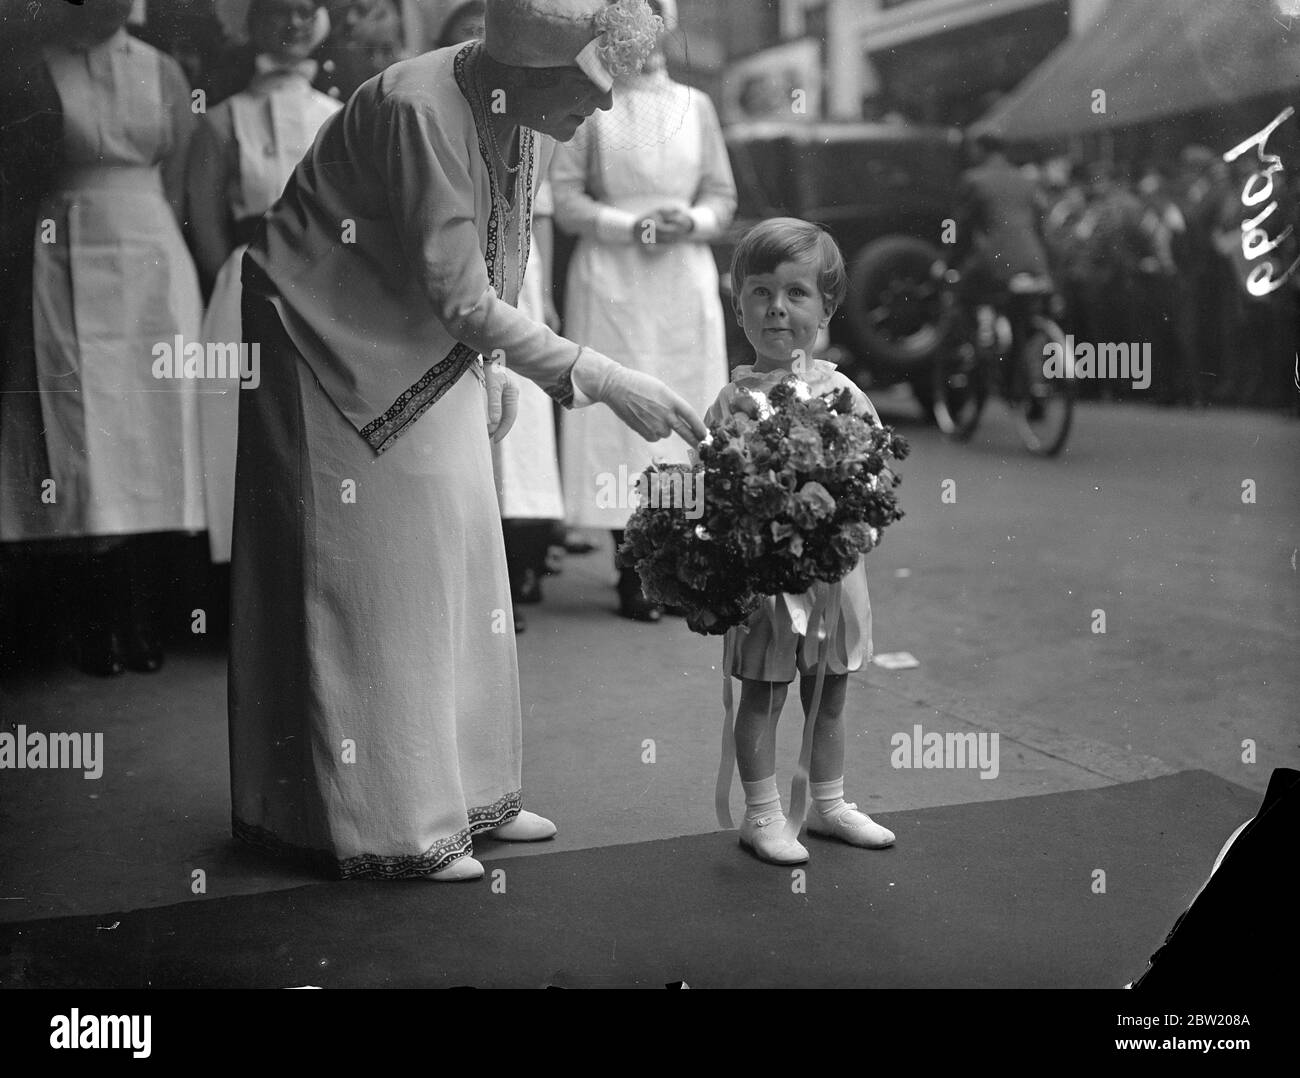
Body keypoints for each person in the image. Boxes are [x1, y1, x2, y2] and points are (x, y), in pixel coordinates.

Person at [230, 0, 705, 882]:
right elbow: (461, 296)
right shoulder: (421, 108)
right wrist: (604, 379)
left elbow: (497, 259)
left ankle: (476, 794)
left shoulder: (523, 109)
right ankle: (393, 823)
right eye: (591, 86)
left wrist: (488, 369)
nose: (605, 106)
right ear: (533, 70)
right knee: (380, 575)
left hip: (416, 327)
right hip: (321, 334)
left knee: (467, 555)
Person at [0, 0, 205, 676]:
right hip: (66, 248)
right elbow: (20, 174)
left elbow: (178, 180)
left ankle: (145, 614)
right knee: (83, 431)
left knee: (153, 427)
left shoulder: (164, 70)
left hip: (150, 254)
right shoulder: (33, 68)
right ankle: (98, 621)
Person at [706, 218, 895, 866]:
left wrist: (854, 520)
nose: (777, 308)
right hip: (765, 580)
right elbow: (711, 484)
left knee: (829, 691)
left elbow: (875, 474)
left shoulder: (845, 394)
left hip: (833, 575)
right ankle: (762, 814)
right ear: (739, 306)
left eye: (796, 293)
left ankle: (828, 803)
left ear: (827, 307)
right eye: (760, 292)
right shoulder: (732, 401)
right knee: (763, 692)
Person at [552, 0, 736, 622]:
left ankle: (677, 558)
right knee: (620, 414)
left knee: (684, 405)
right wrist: (630, 226)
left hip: (681, 277)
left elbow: (722, 195)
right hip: (613, 277)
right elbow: (566, 198)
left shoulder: (696, 105)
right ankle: (631, 564)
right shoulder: (593, 103)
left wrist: (693, 220)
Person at [187, 0, 340, 567]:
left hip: (326, 285)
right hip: (247, 281)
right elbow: (204, 222)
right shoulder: (222, 119)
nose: (293, 24)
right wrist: (236, 280)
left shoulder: (340, 115)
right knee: (246, 413)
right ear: (251, 22)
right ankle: (249, 569)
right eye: (278, 10)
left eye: (305, 10)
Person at [438, 1, 565, 633]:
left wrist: (541, 290)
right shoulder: (437, 118)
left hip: (518, 269)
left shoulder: (531, 124)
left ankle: (521, 559)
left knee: (521, 419)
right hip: (464, 274)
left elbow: (540, 211)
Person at [953, 131, 1051, 349]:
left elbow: (957, 228)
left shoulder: (973, 179)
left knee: (963, 296)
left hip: (994, 265)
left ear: (979, 149)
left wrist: (946, 259)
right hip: (1034, 263)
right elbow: (1040, 226)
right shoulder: (1026, 180)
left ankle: (980, 347)